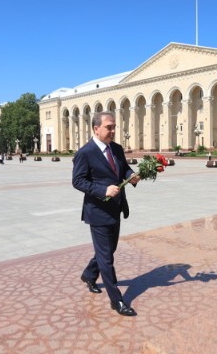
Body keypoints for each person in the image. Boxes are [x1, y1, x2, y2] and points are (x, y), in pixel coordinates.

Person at [72, 111, 141, 317]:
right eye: (109, 127)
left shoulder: (117, 149)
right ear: (96, 129)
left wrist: (132, 176)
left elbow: (124, 170)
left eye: (114, 127)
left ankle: (89, 275)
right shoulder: (85, 152)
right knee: (106, 258)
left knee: (108, 251)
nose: (112, 131)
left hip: (116, 208)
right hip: (98, 211)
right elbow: (78, 181)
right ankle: (116, 300)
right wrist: (103, 190)